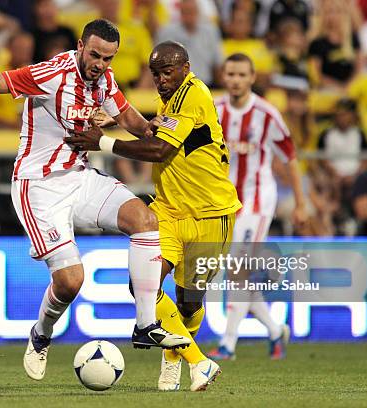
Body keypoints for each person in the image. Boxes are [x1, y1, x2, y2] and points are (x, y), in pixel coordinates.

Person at [0, 19, 190, 381]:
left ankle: (145, 324)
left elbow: (126, 115)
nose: (100, 64)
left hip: (79, 178)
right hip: (38, 187)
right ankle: (41, 334)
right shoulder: (52, 74)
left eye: (108, 58)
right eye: (95, 54)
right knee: (70, 282)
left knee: (144, 221)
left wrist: (150, 128)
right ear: (81, 46)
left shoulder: (105, 80)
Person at [66, 41, 241, 392]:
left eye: (167, 71)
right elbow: (156, 132)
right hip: (169, 210)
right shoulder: (172, 98)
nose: (160, 80)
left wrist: (103, 141)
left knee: (190, 300)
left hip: (211, 215)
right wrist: (119, 120)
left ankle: (174, 357)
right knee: (142, 284)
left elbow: (159, 148)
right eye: (155, 73)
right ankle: (198, 362)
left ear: (185, 67)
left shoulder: (195, 95)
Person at [205, 53, 307, 361]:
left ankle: (228, 345)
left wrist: (301, 203)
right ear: (224, 77)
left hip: (257, 199)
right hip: (223, 201)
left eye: (241, 75)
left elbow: (290, 157)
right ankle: (276, 331)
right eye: (230, 74)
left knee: (237, 270)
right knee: (238, 273)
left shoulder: (267, 114)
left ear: (252, 78)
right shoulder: (213, 109)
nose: (235, 80)